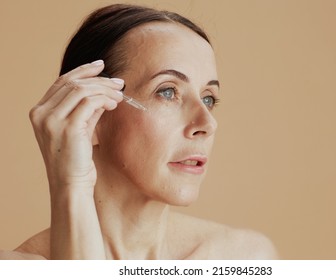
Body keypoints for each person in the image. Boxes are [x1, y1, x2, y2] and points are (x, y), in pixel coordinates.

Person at [0, 4, 277, 260]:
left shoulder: (242, 257)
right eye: (168, 92)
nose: (207, 123)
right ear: (92, 114)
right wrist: (70, 184)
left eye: (208, 98)